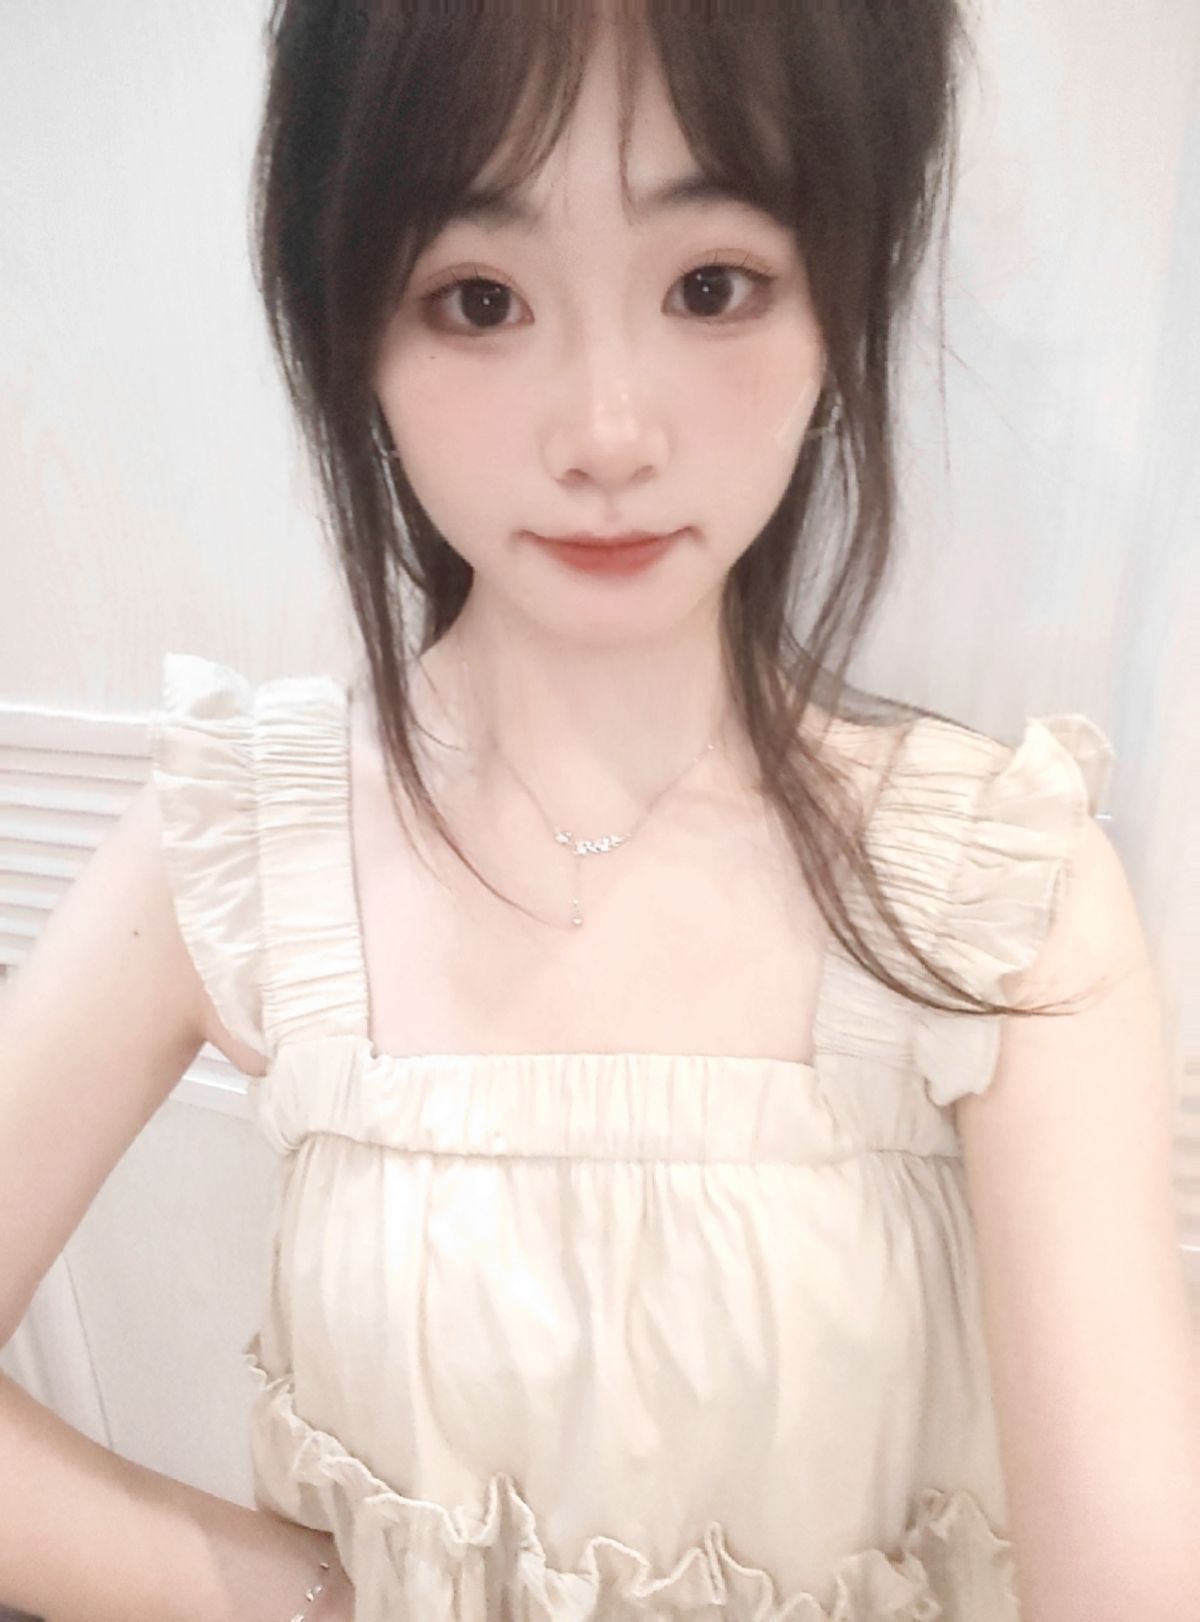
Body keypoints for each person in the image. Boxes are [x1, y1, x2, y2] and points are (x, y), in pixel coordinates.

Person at [3, 3, 1198, 1620]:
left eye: (712, 285)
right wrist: (321, 1598)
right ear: (351, 320)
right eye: (479, 299)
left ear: (840, 286)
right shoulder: (246, 843)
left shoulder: (998, 892)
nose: (606, 434)